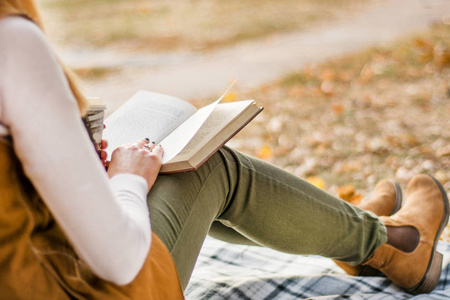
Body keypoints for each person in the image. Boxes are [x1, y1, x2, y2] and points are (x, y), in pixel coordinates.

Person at [0, 0, 448, 299]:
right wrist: (128, 181)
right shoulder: (11, 42)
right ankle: (391, 245)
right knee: (207, 168)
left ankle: (352, 237)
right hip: (77, 285)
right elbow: (117, 261)